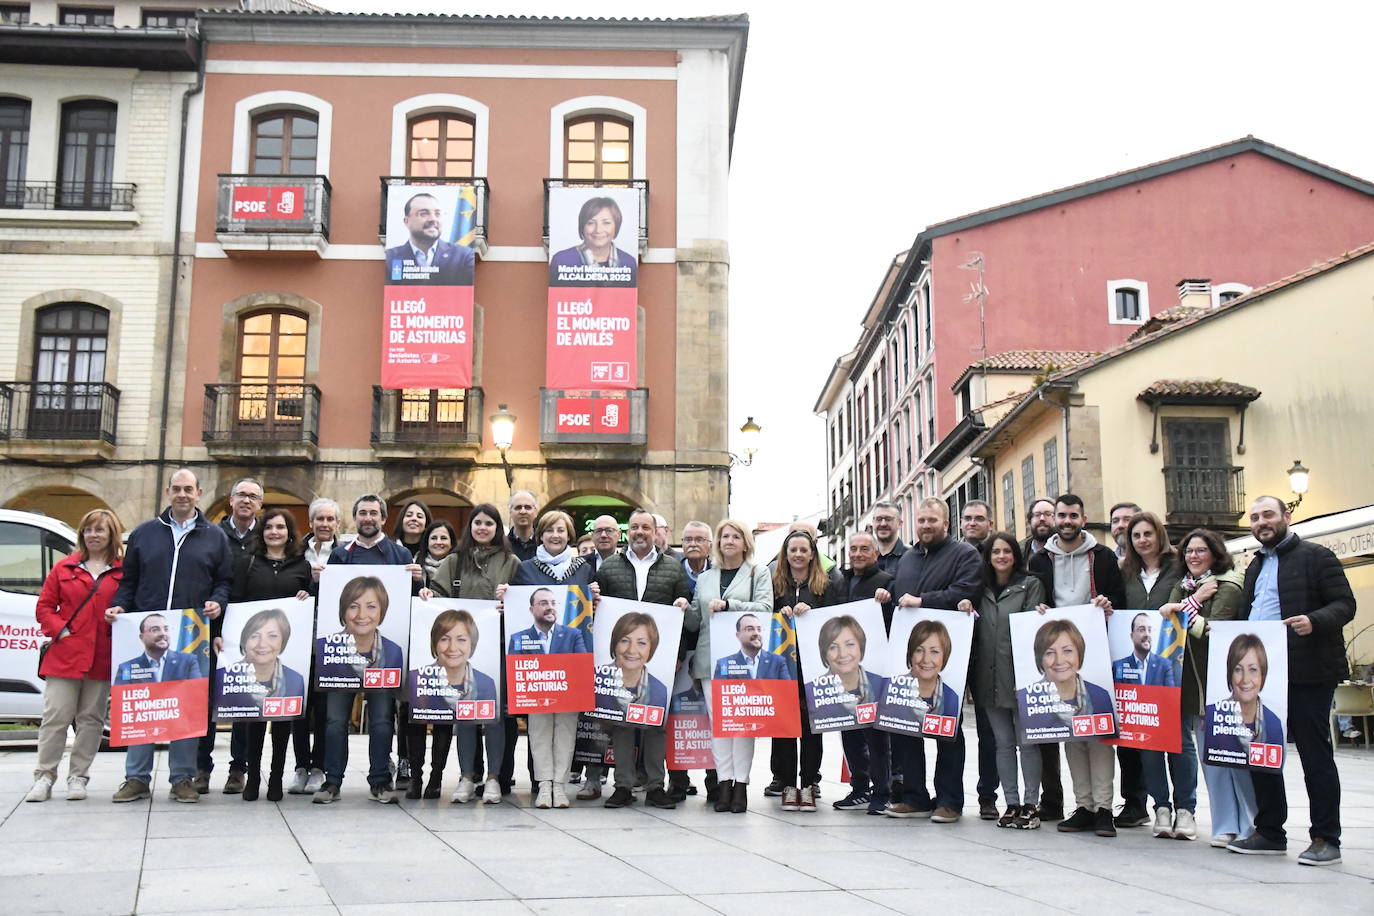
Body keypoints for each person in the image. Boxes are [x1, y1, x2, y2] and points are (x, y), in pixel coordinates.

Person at [1226, 496, 1355, 866]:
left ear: (1286, 516)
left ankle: (1326, 838)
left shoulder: (1317, 556)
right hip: (1264, 677)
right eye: (1254, 518)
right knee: (1261, 752)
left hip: (1310, 672)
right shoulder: (1252, 566)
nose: (1261, 522)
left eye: (1268, 515)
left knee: (1315, 756)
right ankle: (1270, 831)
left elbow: (1345, 605)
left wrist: (1315, 620)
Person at [106, 468, 234, 804]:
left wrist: (217, 603)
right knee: (143, 706)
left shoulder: (214, 537)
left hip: (191, 635)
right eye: (176, 489)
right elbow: (128, 581)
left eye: (188, 489)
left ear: (198, 492)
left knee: (186, 708)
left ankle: (182, 778)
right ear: (167, 492)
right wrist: (119, 607)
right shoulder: (145, 534)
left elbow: (224, 582)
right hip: (147, 633)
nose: (182, 494)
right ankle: (136, 778)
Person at [1028, 493, 1124, 837]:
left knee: (1099, 733)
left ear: (1083, 519)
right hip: (1059, 657)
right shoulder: (1040, 560)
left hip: (1095, 653)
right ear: (1054, 519)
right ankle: (1083, 805)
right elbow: (1035, 600)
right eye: (1061, 516)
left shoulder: (1104, 558)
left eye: (1073, 515)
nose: (1067, 521)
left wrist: (1108, 605)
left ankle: (1104, 809)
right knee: (1072, 732)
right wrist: (1038, 610)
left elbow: (1120, 602)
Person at [887, 497, 980, 823]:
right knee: (907, 727)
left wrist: (924, 600)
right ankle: (915, 797)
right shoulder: (909, 558)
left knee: (948, 730)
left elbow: (966, 591)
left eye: (932, 520)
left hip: (947, 657)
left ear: (946, 523)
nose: (926, 525)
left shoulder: (964, 554)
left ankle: (950, 801)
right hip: (911, 662)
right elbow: (899, 596)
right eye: (921, 520)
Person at [594, 508, 691, 809]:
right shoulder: (609, 568)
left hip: (658, 660)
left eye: (645, 528)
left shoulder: (673, 568)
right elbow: (597, 616)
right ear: (628, 532)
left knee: (656, 724)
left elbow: (683, 614)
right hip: (619, 660)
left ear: (654, 531)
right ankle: (622, 785)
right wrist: (593, 598)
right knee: (620, 723)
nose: (639, 532)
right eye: (634, 527)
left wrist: (677, 651)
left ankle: (654, 787)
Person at [27, 510, 124, 803]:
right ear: (82, 534)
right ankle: (44, 776)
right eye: (89, 530)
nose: (94, 535)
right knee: (55, 717)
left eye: (100, 530)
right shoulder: (64, 568)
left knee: (91, 720)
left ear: (111, 535)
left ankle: (78, 777)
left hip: (102, 656)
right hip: (66, 655)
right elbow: (44, 607)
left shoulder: (122, 571)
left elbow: (131, 605)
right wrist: (61, 631)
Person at [1160, 528, 1247, 846]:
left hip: (1225, 684)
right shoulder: (1186, 587)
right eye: (1188, 552)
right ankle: (1225, 824)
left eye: (1200, 550)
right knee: (1213, 759)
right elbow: (1169, 617)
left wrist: (1183, 612)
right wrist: (1194, 601)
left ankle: (1249, 824)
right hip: (1194, 686)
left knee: (1235, 758)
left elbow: (1217, 631)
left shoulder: (1229, 585)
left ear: (1215, 553)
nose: (1193, 557)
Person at [427, 503, 519, 804]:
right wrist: (429, 595)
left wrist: (511, 602)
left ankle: (493, 777)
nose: (483, 528)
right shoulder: (454, 561)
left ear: (497, 529)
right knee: (465, 715)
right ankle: (467, 776)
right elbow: (438, 599)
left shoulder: (511, 561)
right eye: (478, 523)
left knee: (494, 716)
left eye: (489, 524)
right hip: (460, 652)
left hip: (498, 647)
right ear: (471, 527)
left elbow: (525, 604)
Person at [509, 510, 599, 809]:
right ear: (541, 534)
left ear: (569, 534)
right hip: (535, 667)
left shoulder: (584, 568)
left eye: (561, 530)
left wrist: (595, 597)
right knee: (538, 728)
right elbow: (518, 605)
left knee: (566, 728)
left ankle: (560, 785)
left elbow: (591, 611)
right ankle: (543, 784)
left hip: (571, 661)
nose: (555, 535)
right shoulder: (525, 569)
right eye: (549, 530)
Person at [223, 508, 313, 801]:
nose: (275, 532)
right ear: (262, 532)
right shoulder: (248, 562)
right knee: (253, 721)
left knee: (283, 721)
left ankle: (276, 777)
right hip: (253, 654)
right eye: (269, 527)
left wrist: (306, 595)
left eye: (281, 527)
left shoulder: (302, 565)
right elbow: (235, 601)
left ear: (290, 532)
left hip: (285, 656)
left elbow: (311, 602)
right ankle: (251, 778)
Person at [685, 519, 774, 813]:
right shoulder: (706, 578)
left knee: (742, 724)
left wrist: (730, 605)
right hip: (711, 659)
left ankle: (741, 785)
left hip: (744, 662)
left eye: (736, 536)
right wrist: (684, 610)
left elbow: (765, 610)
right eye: (724, 536)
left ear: (745, 542)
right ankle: (723, 784)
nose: (729, 541)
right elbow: (696, 622)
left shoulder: (758, 573)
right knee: (718, 725)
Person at [963, 533, 1046, 829]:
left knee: (1027, 743)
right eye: (995, 551)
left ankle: (1030, 804)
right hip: (988, 675)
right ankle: (1011, 802)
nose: (1000, 556)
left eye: (1006, 551)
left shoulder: (1031, 584)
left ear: (1015, 555)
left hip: (1020, 676)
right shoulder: (979, 588)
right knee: (1002, 743)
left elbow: (1032, 630)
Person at [769, 529, 833, 812]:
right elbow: (761, 615)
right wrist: (778, 613)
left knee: (811, 727)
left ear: (812, 553)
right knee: (783, 726)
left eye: (803, 550)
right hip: (782, 665)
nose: (798, 555)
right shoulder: (774, 583)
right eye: (792, 550)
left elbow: (835, 617)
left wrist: (814, 611)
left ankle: (808, 783)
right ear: (786, 554)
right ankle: (786, 783)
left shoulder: (827, 583)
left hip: (813, 665)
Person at [833, 533, 894, 815]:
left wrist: (887, 599)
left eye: (863, 549)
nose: (857, 553)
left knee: (875, 734)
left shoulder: (885, 581)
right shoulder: (840, 581)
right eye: (853, 548)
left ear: (875, 552)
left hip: (874, 670)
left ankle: (882, 791)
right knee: (850, 730)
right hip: (845, 670)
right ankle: (859, 788)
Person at [293, 496, 340, 795]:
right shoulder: (297, 553)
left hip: (331, 643)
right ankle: (300, 766)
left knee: (324, 710)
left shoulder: (347, 554)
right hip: (298, 641)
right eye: (319, 519)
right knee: (299, 708)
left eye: (330, 519)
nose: (324, 524)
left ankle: (319, 767)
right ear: (310, 523)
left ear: (337, 524)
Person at [960, 498, 999, 819]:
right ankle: (950, 795)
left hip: (987, 651)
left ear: (990, 522)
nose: (972, 523)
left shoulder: (999, 555)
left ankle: (988, 794)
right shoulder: (955, 555)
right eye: (967, 518)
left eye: (979, 518)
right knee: (950, 724)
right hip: (956, 649)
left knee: (989, 728)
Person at [1205, 635, 1284, 764]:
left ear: (1262, 675)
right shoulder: (1213, 715)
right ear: (1230, 674)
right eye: (1238, 670)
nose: (1245, 679)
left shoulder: (1274, 723)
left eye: (1253, 670)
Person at [384, 191, 475, 285]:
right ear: (406, 221)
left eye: (437, 214)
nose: (433, 219)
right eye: (424, 213)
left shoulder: (463, 257)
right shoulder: (391, 257)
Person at [548, 195, 638, 286]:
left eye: (606, 223)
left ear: (616, 226)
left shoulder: (629, 262)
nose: (598, 230)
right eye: (591, 223)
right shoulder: (562, 260)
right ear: (582, 226)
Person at [1112, 613, 1177, 687]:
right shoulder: (1119, 666)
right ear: (1132, 636)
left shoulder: (1165, 665)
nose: (1147, 634)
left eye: (1149, 630)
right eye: (1142, 630)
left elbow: (1169, 696)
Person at [219, 477, 263, 553]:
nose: (246, 501)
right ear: (231, 500)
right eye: (241, 495)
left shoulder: (265, 535)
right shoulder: (214, 533)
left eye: (253, 496)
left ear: (260, 504)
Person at [870, 500, 907, 576]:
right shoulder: (865, 558)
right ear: (873, 523)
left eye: (888, 519)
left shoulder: (912, 557)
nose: (883, 524)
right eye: (879, 519)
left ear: (899, 523)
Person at [417, 519, 457, 585]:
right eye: (434, 538)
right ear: (427, 543)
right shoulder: (416, 564)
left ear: (451, 543)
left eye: (443, 538)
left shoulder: (459, 567)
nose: (438, 542)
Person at [680, 520, 713, 590]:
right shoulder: (673, 572)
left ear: (710, 545)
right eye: (688, 540)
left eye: (699, 540)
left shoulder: (718, 573)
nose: (693, 544)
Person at [507, 491, 539, 562]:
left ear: (536, 512)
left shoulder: (544, 545)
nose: (523, 511)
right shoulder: (503, 546)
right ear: (510, 512)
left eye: (528, 507)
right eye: (518, 507)